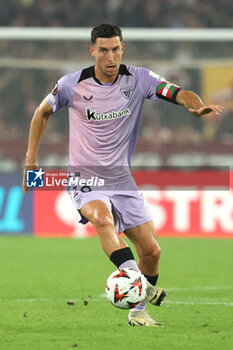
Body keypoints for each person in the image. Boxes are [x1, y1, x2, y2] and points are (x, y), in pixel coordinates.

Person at [22, 23, 224, 327]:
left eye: (116, 49)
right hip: (84, 178)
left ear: (123, 49)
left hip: (121, 180)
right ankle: (138, 282)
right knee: (102, 219)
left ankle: (138, 310)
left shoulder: (139, 78)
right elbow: (42, 112)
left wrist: (195, 107)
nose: (110, 56)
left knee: (152, 252)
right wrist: (30, 160)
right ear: (93, 51)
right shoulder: (71, 84)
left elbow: (177, 92)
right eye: (103, 50)